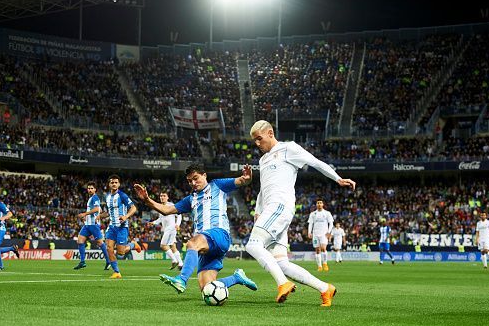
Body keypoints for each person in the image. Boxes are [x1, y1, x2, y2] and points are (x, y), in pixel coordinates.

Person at [246, 120, 356, 306]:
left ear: (270, 133)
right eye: (254, 141)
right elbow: (263, 190)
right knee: (281, 263)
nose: (257, 144)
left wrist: (337, 178)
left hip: (280, 206)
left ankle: (283, 283)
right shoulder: (263, 160)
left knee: (252, 245)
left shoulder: (289, 148)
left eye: (259, 139)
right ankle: (325, 288)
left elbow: (315, 162)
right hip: (271, 210)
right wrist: (258, 211)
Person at [134, 163, 258, 297]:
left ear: (204, 175)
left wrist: (247, 177)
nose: (193, 183)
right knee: (207, 288)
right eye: (189, 181)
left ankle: (181, 279)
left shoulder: (217, 185)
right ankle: (236, 278)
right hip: (206, 245)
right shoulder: (190, 199)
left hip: (219, 233)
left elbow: (241, 180)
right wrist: (147, 200)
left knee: (192, 243)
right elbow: (167, 210)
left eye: (195, 178)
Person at [102, 175, 144, 279]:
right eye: (112, 182)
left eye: (116, 182)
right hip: (112, 226)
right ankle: (116, 272)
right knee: (109, 248)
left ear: (119, 184)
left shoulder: (122, 196)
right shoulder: (107, 197)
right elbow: (109, 212)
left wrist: (126, 216)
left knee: (120, 252)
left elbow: (133, 208)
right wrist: (99, 216)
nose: (114, 184)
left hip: (122, 227)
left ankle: (133, 245)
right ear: (109, 184)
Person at [73, 181, 111, 270]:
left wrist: (85, 214)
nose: (89, 190)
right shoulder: (91, 199)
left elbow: (97, 208)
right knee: (80, 241)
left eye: (91, 188)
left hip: (93, 225)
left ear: (95, 189)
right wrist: (90, 216)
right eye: (88, 188)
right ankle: (82, 262)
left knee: (100, 243)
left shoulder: (95, 197)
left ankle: (109, 261)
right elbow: (99, 210)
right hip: (87, 224)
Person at [150, 191, 184, 270]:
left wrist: (177, 224)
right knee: (173, 246)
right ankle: (181, 263)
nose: (162, 197)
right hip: (167, 229)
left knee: (163, 245)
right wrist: (154, 223)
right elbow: (160, 219)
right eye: (161, 196)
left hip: (171, 228)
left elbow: (179, 215)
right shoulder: (160, 207)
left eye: (164, 196)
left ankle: (174, 260)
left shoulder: (171, 205)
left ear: (167, 197)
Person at [307, 200, 334, 271]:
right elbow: (310, 224)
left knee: (323, 248)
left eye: (320, 203)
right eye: (318, 203)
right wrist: (309, 232)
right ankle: (319, 266)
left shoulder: (327, 213)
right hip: (315, 234)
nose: (319, 204)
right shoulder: (313, 214)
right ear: (316, 204)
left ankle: (325, 263)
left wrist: (329, 232)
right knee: (317, 250)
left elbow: (331, 223)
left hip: (324, 234)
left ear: (323, 204)